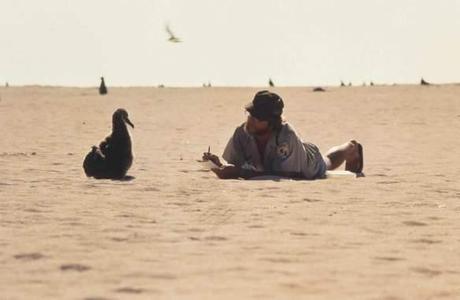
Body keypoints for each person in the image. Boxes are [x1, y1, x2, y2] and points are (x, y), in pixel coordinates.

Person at [203, 90, 363, 180]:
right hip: (283, 159)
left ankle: (350, 148)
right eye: (250, 114)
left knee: (326, 163)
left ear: (271, 122)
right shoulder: (242, 132)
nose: (250, 120)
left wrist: (240, 173)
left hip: (308, 161)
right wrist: (219, 164)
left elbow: (289, 175)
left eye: (257, 118)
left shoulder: (287, 136)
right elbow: (235, 164)